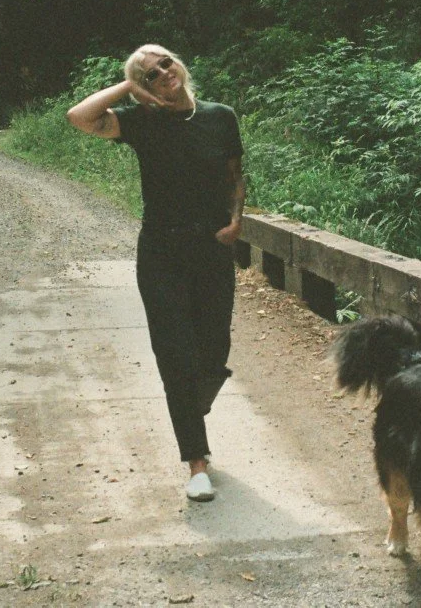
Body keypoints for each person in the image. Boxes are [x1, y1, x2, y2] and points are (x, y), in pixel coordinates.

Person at [67, 45, 246, 502]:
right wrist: (131, 86)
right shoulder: (141, 123)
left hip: (211, 249)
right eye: (151, 73)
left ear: (179, 64)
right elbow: (80, 116)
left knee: (213, 352)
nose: (163, 72)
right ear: (142, 85)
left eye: (165, 62)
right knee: (175, 357)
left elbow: (234, 174)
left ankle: (191, 407)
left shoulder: (219, 116)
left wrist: (236, 217)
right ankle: (196, 463)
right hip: (162, 252)